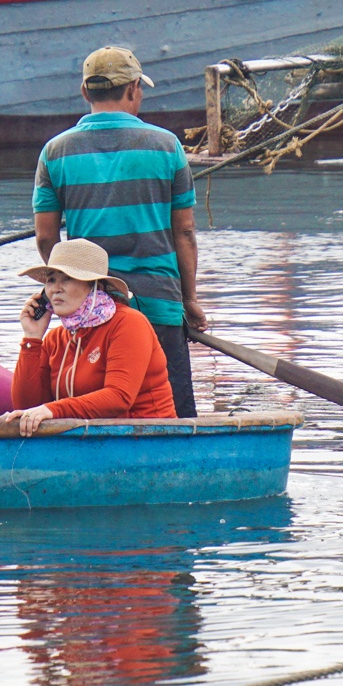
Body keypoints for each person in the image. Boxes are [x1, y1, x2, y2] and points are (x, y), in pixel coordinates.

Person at [33, 46, 203, 418]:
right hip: (159, 301)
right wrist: (189, 301)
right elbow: (185, 232)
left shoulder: (55, 151)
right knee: (171, 412)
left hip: (91, 304)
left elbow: (46, 238)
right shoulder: (165, 145)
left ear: (85, 93)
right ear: (132, 89)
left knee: (94, 408)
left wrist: (69, 281)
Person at [8, 238, 177, 436]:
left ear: (95, 287)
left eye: (67, 278)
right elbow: (28, 406)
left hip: (148, 437)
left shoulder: (128, 323)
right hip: (89, 440)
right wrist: (32, 339)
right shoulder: (55, 338)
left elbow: (118, 397)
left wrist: (54, 409)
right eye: (51, 280)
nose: (55, 289)